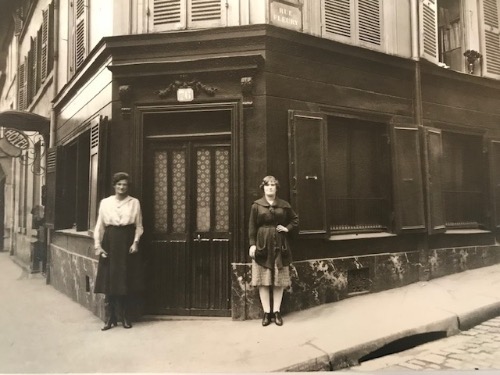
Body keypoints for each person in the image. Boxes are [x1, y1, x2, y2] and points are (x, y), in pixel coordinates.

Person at [94, 172, 144, 330]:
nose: (122, 187)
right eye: (119, 184)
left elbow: (139, 226)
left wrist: (135, 242)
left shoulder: (134, 202)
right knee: (110, 279)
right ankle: (110, 318)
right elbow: (100, 225)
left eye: (125, 185)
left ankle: (125, 317)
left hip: (127, 241)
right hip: (110, 240)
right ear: (114, 186)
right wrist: (98, 245)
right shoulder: (105, 203)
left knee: (125, 280)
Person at [248, 175, 298, 326]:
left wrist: (286, 228)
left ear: (276, 187)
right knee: (263, 280)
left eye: (273, 185)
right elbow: (252, 227)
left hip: (279, 245)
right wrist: (252, 245)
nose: (270, 187)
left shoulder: (284, 205)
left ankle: (276, 312)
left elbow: (294, 219)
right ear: (263, 187)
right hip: (262, 244)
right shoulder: (256, 205)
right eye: (267, 185)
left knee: (278, 280)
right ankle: (266, 313)